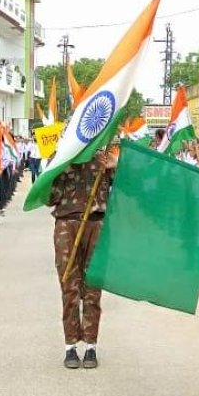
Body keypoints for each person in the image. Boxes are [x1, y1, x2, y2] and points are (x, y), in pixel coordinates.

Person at [47, 150, 116, 369]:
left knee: (93, 289)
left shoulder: (103, 157)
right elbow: (49, 198)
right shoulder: (60, 158)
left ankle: (91, 347)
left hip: (97, 225)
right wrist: (57, 167)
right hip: (67, 224)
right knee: (69, 288)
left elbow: (126, 190)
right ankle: (70, 347)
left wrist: (114, 167)